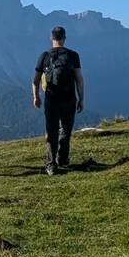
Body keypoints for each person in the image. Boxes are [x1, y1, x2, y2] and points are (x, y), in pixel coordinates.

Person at [32, 25, 84, 175]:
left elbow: (35, 80)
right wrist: (81, 99)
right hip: (69, 99)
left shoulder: (44, 56)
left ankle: (51, 164)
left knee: (51, 131)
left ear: (51, 38)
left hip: (51, 99)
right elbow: (79, 79)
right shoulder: (73, 55)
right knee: (66, 131)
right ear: (65, 38)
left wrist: (36, 97)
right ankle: (63, 158)